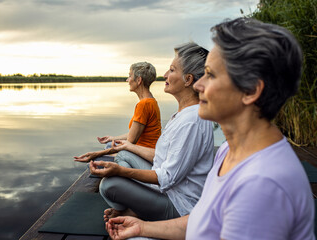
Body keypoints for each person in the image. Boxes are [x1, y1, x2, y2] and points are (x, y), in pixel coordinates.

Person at [105, 17, 315, 240]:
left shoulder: (262, 185)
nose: (197, 85)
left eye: (211, 75)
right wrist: (142, 228)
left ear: (250, 91)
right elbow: (203, 218)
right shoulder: (228, 151)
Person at [90, 42, 214, 221]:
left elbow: (167, 178)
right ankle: (136, 207)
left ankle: (135, 211)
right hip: (168, 188)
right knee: (125, 155)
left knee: (109, 185)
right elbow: (162, 158)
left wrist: (120, 172)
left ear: (188, 80)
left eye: (171, 70)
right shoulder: (182, 114)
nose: (164, 75)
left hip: (179, 205)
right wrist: (127, 146)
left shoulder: (190, 122)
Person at [74, 62, 162, 162]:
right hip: (145, 151)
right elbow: (133, 135)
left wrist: (95, 154)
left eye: (129, 76)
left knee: (97, 159)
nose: (127, 80)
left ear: (138, 80)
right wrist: (112, 138)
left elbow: (129, 143)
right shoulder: (151, 101)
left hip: (144, 155)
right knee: (108, 144)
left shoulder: (144, 104)